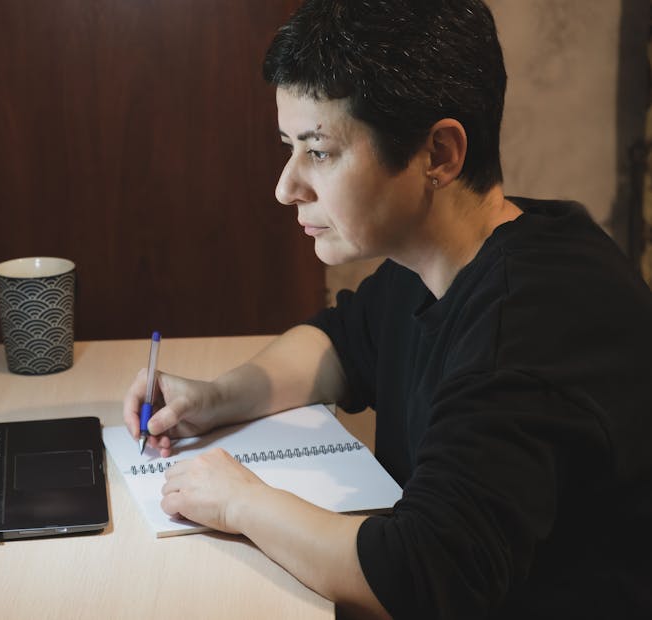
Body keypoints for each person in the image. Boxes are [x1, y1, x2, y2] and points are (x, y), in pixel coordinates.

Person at [123, 0, 652, 617]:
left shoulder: (527, 331)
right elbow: (344, 343)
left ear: (439, 154)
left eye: (319, 152)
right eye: (289, 147)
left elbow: (420, 576)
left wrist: (241, 502)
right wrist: (215, 398)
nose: (286, 187)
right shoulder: (436, 257)